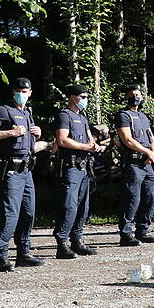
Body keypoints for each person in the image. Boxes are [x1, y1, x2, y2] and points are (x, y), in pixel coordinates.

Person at [0, 77, 45, 272]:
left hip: (27, 170)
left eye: (24, 91)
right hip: (11, 171)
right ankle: (1, 256)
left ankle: (23, 253)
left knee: (28, 213)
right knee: (9, 215)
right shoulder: (3, 110)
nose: (21, 94)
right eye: (18, 91)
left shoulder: (27, 112)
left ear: (30, 93)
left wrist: (37, 134)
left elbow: (29, 143)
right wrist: (10, 133)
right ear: (13, 92)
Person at [53, 83, 104, 259]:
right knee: (69, 205)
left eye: (87, 97)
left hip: (84, 167)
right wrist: (84, 147)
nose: (85, 100)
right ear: (73, 97)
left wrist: (94, 146)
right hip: (71, 167)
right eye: (83, 97)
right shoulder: (64, 115)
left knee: (83, 206)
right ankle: (62, 244)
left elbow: (89, 137)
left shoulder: (82, 117)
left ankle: (77, 240)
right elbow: (62, 140)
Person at [115, 84, 154, 246]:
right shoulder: (123, 115)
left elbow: (151, 138)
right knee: (132, 198)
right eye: (132, 94)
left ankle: (142, 230)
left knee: (150, 196)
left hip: (147, 163)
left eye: (138, 94)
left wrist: (153, 153)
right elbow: (127, 140)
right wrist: (147, 152)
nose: (135, 97)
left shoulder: (143, 117)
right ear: (126, 97)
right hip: (133, 163)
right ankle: (126, 234)